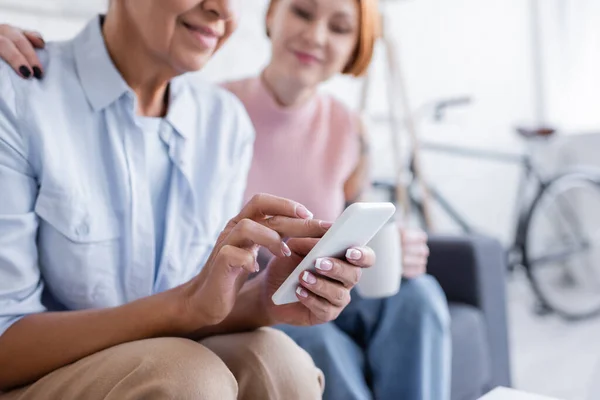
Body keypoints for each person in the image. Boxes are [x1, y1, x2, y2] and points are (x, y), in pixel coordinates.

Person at [1, 0, 452, 398]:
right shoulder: (20, 94)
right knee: (190, 377)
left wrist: (264, 302)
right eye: (303, 12)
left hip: (169, 347)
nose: (222, 9)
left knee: (281, 361)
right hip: (48, 370)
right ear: (274, 17)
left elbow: (200, 307)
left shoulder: (222, 123)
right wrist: (186, 306)